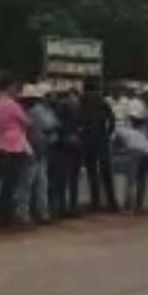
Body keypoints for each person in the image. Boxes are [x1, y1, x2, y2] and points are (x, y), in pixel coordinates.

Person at [0, 75, 32, 228]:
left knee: (6, 184)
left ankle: (3, 218)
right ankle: (8, 218)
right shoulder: (12, 104)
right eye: (15, 87)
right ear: (9, 87)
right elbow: (27, 122)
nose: (17, 91)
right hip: (15, 146)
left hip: (2, 144)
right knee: (13, 184)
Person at [20, 83, 59, 224]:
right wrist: (50, 132)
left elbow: (54, 125)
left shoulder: (44, 110)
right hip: (32, 150)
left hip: (41, 150)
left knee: (40, 184)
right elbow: (50, 126)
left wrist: (50, 132)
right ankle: (26, 213)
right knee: (28, 184)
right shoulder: (35, 111)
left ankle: (41, 212)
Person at [81, 82, 117, 211]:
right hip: (102, 139)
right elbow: (112, 120)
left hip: (89, 140)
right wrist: (108, 133)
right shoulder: (103, 102)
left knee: (92, 172)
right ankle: (112, 202)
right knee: (106, 172)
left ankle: (95, 202)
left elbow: (81, 120)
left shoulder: (84, 101)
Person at [51, 88, 84, 218]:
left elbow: (58, 127)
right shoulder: (78, 108)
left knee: (63, 177)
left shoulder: (60, 109)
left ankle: (62, 207)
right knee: (73, 178)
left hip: (65, 145)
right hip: (76, 144)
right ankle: (72, 206)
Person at [114, 107, 148, 213]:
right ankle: (139, 206)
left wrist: (120, 150)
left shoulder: (119, 130)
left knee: (131, 180)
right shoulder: (138, 132)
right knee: (142, 180)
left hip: (135, 152)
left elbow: (116, 145)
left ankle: (128, 206)